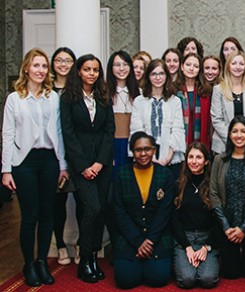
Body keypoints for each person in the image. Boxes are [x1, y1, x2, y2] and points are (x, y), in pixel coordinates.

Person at [2, 48, 69, 287]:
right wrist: (6, 169)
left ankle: (42, 261)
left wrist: (62, 164)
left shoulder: (53, 97)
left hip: (49, 161)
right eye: (36, 65)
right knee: (29, 216)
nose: (41, 70)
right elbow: (8, 134)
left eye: (44, 66)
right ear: (27, 69)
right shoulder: (14, 98)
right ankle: (28, 263)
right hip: (24, 163)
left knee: (47, 213)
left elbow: (59, 133)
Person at [60, 54, 115, 283]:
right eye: (87, 69)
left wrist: (100, 163)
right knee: (91, 207)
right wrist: (84, 166)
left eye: (95, 70)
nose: (91, 73)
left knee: (101, 209)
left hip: (101, 163)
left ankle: (93, 256)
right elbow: (68, 134)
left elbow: (108, 130)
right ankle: (84, 260)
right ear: (79, 72)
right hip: (80, 165)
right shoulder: (68, 98)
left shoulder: (103, 97)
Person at [112, 132, 174, 289]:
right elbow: (119, 211)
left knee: (158, 279)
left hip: (157, 237)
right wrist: (138, 241)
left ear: (154, 150)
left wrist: (150, 240)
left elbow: (164, 212)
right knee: (125, 281)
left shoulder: (165, 174)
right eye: (138, 149)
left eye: (147, 149)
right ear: (132, 151)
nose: (143, 153)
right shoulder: (122, 174)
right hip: (129, 237)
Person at [210, 116, 245, 279]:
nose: (239, 135)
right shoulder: (219, 160)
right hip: (226, 224)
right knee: (230, 273)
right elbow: (213, 194)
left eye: (243, 131)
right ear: (229, 135)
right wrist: (226, 226)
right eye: (235, 131)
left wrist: (243, 228)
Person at [172, 142, 219, 288]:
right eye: (191, 157)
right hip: (184, 239)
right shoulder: (179, 184)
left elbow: (219, 220)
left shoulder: (213, 185)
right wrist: (187, 247)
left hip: (207, 240)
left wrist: (206, 247)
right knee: (187, 280)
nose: (194, 161)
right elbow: (173, 219)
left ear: (206, 162)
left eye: (198, 157)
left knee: (207, 279)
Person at [130, 59, 186, 177]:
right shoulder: (139, 101)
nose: (158, 77)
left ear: (166, 76)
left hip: (171, 157)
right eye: (153, 74)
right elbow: (137, 130)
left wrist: (168, 157)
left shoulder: (175, 101)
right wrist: (149, 156)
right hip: (144, 157)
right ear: (148, 76)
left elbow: (178, 129)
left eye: (161, 73)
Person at [50, 47, 79, 266]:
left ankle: (80, 244)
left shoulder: (78, 90)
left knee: (82, 201)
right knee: (57, 202)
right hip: (52, 152)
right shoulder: (47, 90)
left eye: (68, 60)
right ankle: (60, 245)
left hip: (76, 153)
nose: (63, 64)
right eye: (59, 60)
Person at [210, 51, 245, 154]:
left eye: (241, 64)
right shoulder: (218, 90)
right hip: (223, 145)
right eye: (234, 63)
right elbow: (216, 120)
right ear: (228, 66)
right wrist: (233, 139)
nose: (237, 67)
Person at [107, 51, 141, 176]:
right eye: (117, 65)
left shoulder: (139, 93)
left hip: (132, 144)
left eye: (125, 64)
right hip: (111, 144)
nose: (121, 68)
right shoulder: (104, 92)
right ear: (111, 68)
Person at [175, 53, 212, 148]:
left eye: (195, 66)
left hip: (201, 141)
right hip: (179, 141)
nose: (191, 68)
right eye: (188, 65)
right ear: (182, 67)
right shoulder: (173, 90)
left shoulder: (206, 91)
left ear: (199, 70)